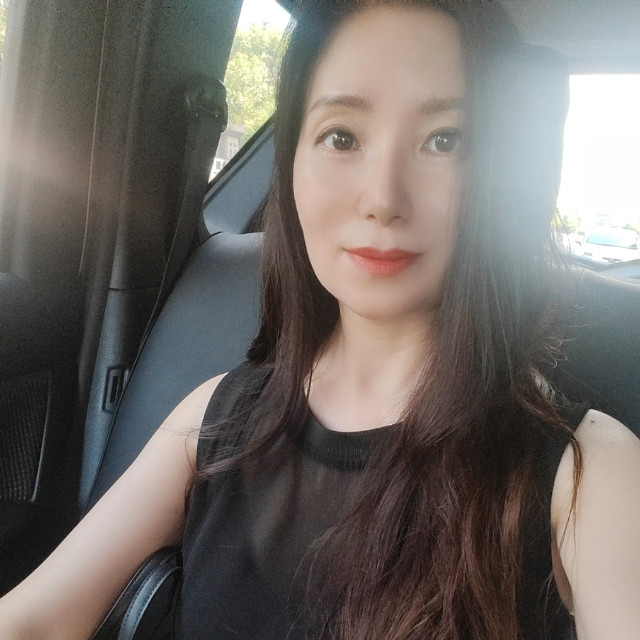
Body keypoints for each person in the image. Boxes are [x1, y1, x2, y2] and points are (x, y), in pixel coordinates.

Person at [1, 1, 639, 638]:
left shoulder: (588, 471)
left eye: (445, 140)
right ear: (292, 166)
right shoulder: (212, 419)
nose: (383, 199)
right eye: (342, 137)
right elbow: (36, 619)